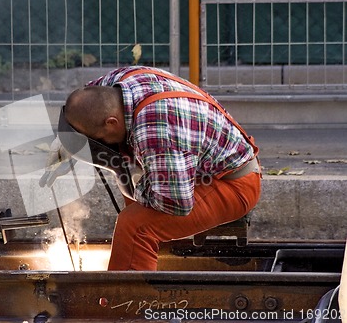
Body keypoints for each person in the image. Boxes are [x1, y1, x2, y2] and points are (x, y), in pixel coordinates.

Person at [41, 66, 261, 271]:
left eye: (100, 138)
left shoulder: (157, 131)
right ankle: (143, 262)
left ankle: (126, 306)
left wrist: (129, 183)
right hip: (193, 165)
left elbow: (175, 202)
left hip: (232, 183)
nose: (102, 143)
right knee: (135, 188)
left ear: (111, 123)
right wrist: (67, 146)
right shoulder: (117, 82)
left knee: (134, 226)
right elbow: (85, 106)